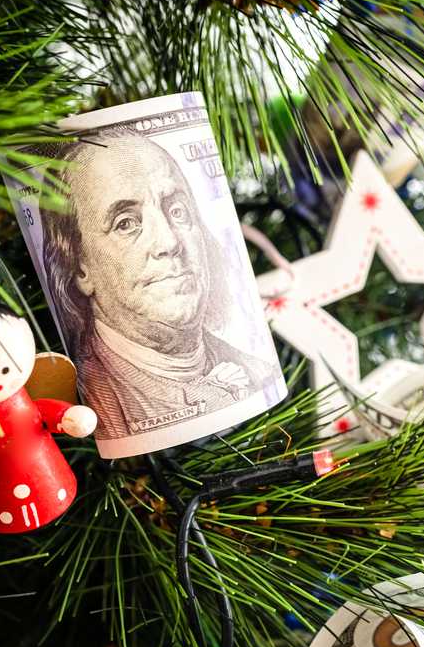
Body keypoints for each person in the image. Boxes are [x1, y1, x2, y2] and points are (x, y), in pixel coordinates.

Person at [40, 128, 275, 440]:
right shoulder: (93, 407)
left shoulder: (257, 371)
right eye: (126, 224)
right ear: (81, 268)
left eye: (177, 211)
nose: (168, 241)